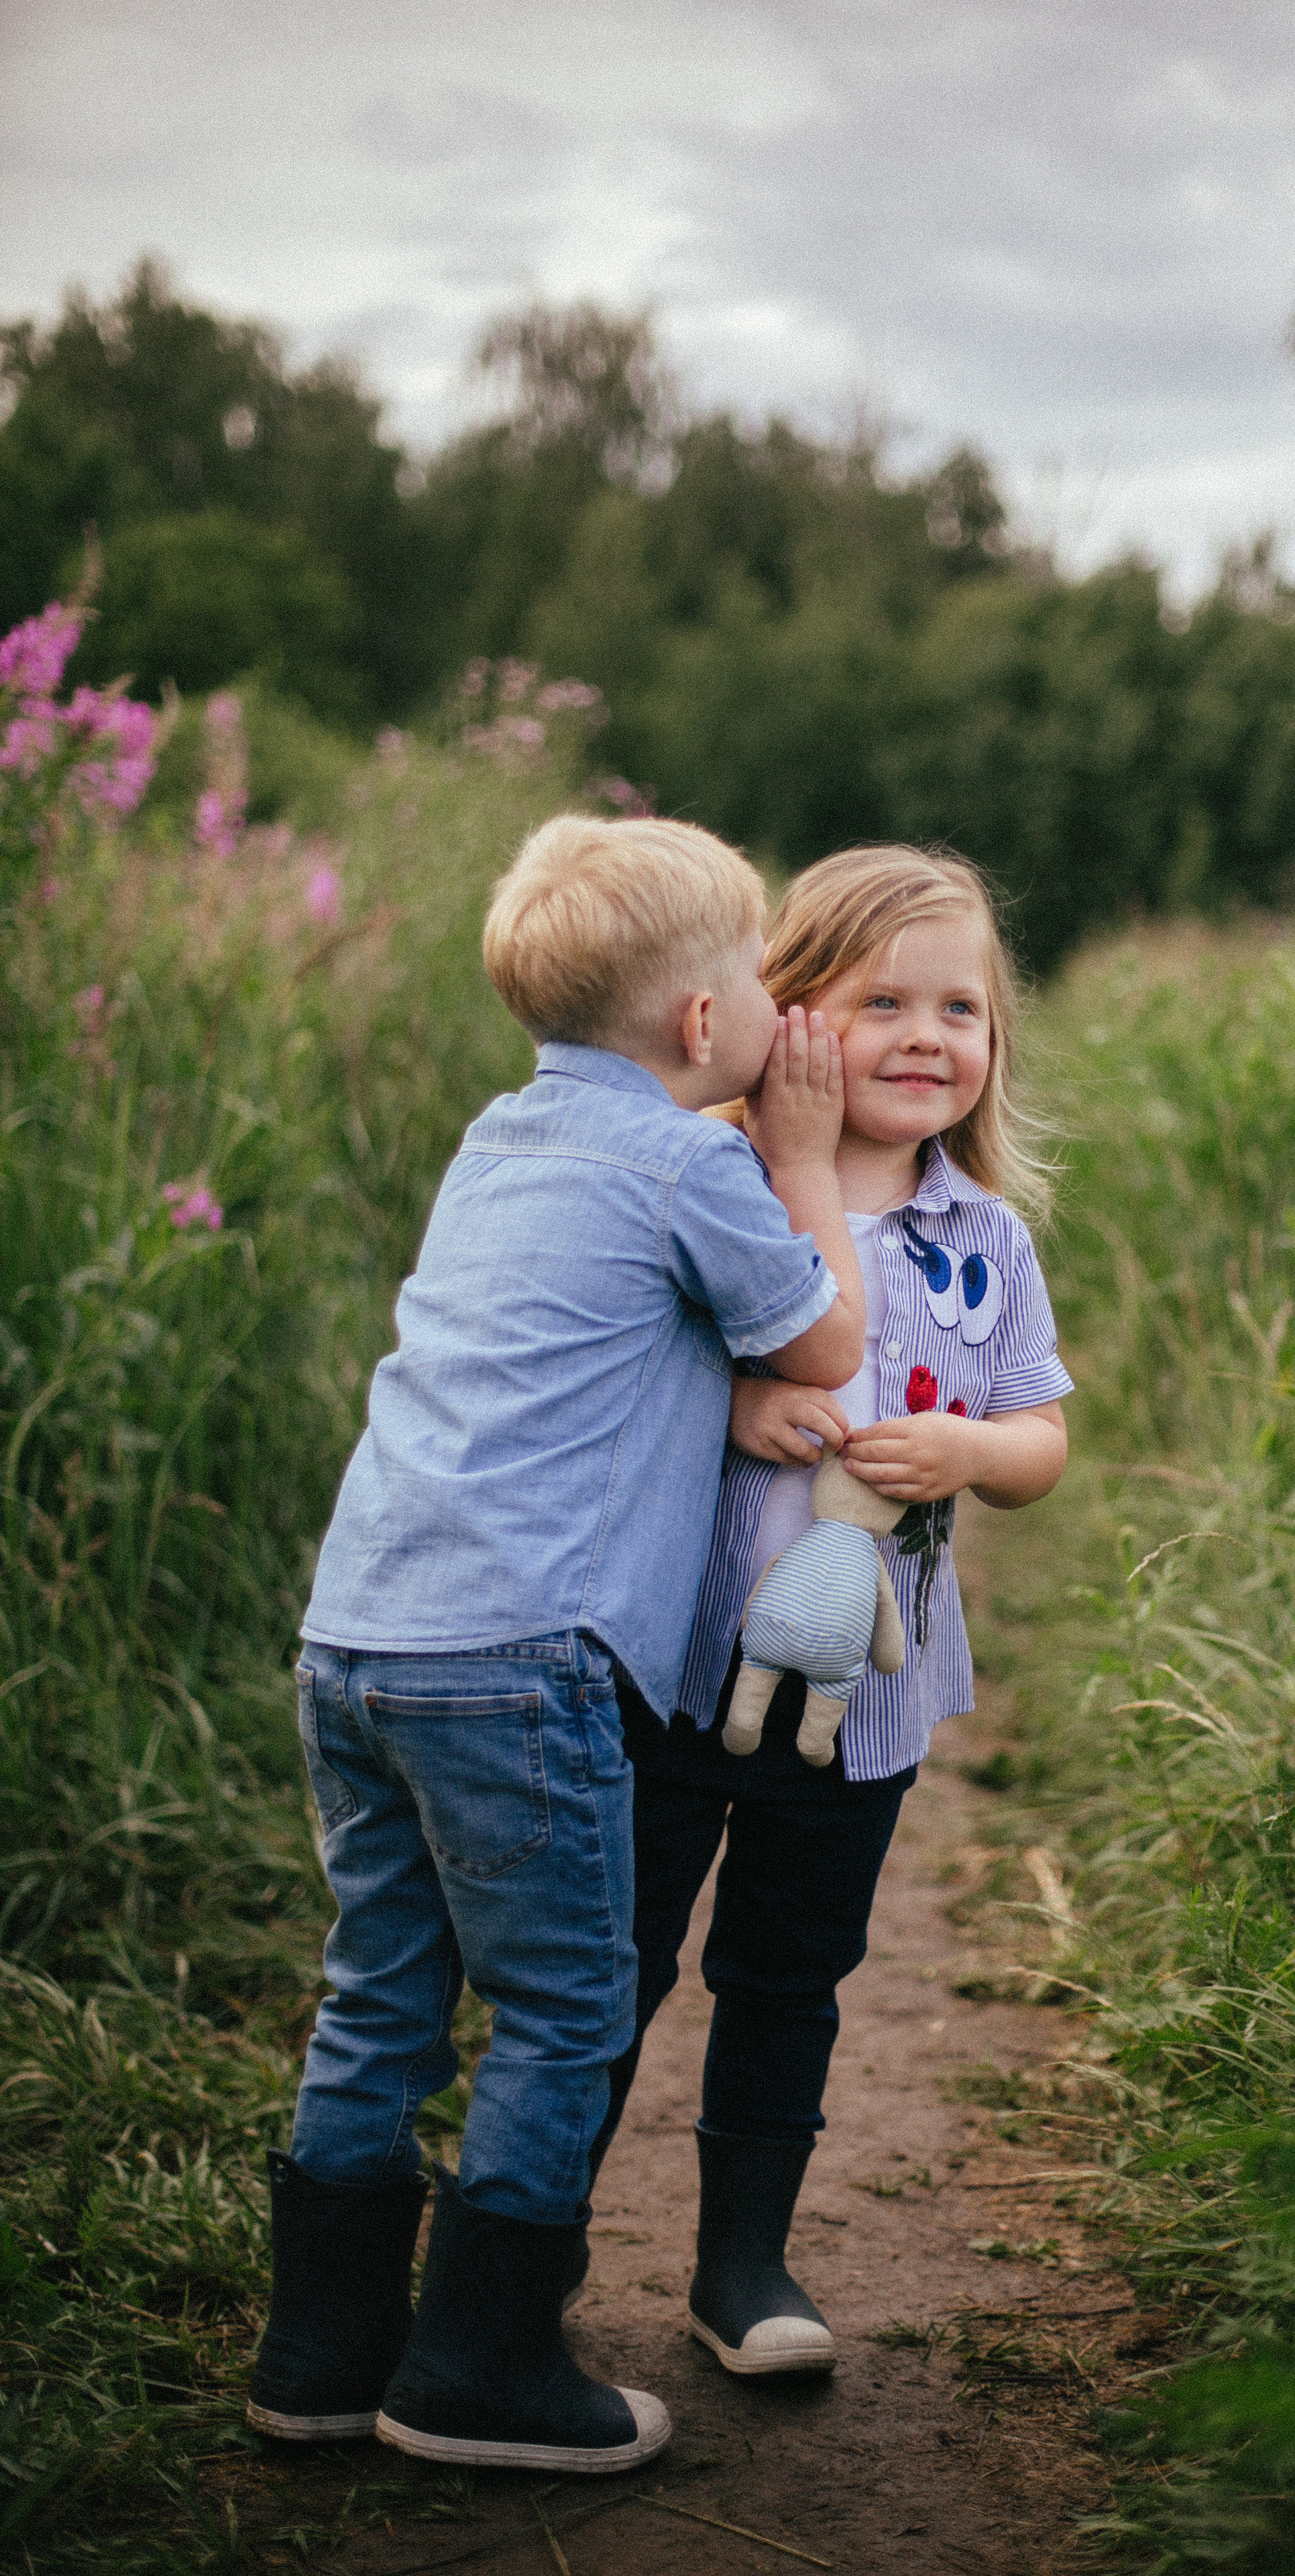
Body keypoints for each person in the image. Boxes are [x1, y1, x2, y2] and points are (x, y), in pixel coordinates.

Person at [246, 814, 864, 2472]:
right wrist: (801, 1152)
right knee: (566, 2007)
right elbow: (823, 1331)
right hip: (519, 1662)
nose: (770, 1008)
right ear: (698, 1029)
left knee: (379, 1989)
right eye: (754, 978)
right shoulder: (693, 1163)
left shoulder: (495, 1143)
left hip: (356, 1637)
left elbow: (604, 1353)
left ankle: (318, 2352)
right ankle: (482, 2367)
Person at [586, 844, 1072, 2377]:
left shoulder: (983, 1241)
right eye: (883, 1002)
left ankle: (744, 2266)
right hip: (676, 1664)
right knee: (613, 1962)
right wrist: (727, 1405)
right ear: (786, 1014)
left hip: (863, 1697)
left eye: (962, 1008)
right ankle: (525, 2241)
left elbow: (1042, 1443)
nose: (930, 1036)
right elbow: (613, 1380)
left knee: (788, 1972)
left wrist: (972, 1449)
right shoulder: (705, 1179)